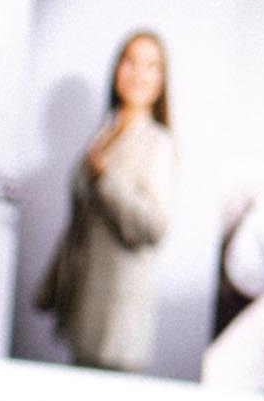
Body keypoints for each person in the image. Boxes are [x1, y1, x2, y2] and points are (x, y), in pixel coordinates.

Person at [31, 26, 176, 371]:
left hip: (117, 325)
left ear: (161, 81)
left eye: (151, 66)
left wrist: (105, 179)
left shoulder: (158, 143)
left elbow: (153, 227)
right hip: (82, 310)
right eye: (130, 62)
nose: (139, 74)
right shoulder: (104, 133)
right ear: (116, 70)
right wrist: (51, 289)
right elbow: (78, 226)